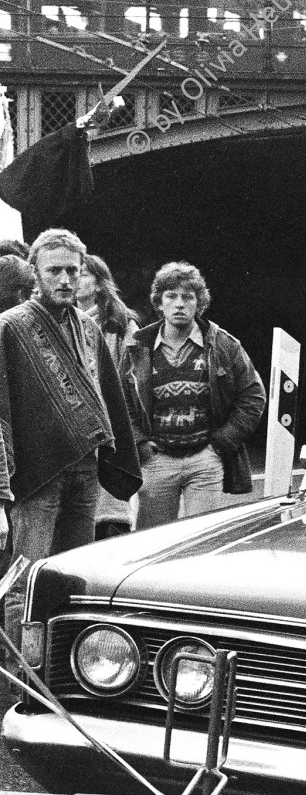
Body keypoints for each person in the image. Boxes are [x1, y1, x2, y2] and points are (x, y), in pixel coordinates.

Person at [0, 227, 141, 574]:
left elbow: (108, 394)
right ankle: (24, 632)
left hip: (85, 466)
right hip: (36, 473)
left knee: (73, 574)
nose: (65, 279)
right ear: (34, 272)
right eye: (54, 271)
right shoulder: (10, 327)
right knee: (25, 577)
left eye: (73, 271)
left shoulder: (89, 327)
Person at [121, 262, 265, 530]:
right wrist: (139, 443)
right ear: (159, 302)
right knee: (152, 543)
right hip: (157, 460)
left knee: (201, 539)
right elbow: (120, 401)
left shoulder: (223, 344)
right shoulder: (137, 346)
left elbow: (253, 396)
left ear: (199, 303)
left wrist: (220, 444)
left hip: (204, 461)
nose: (179, 304)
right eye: (171, 296)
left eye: (188, 297)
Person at [76, 254, 139, 538]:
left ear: (100, 284)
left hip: (111, 425)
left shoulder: (120, 324)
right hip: (77, 426)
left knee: (111, 511)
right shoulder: (60, 319)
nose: (75, 279)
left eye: (84, 274)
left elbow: (134, 383)